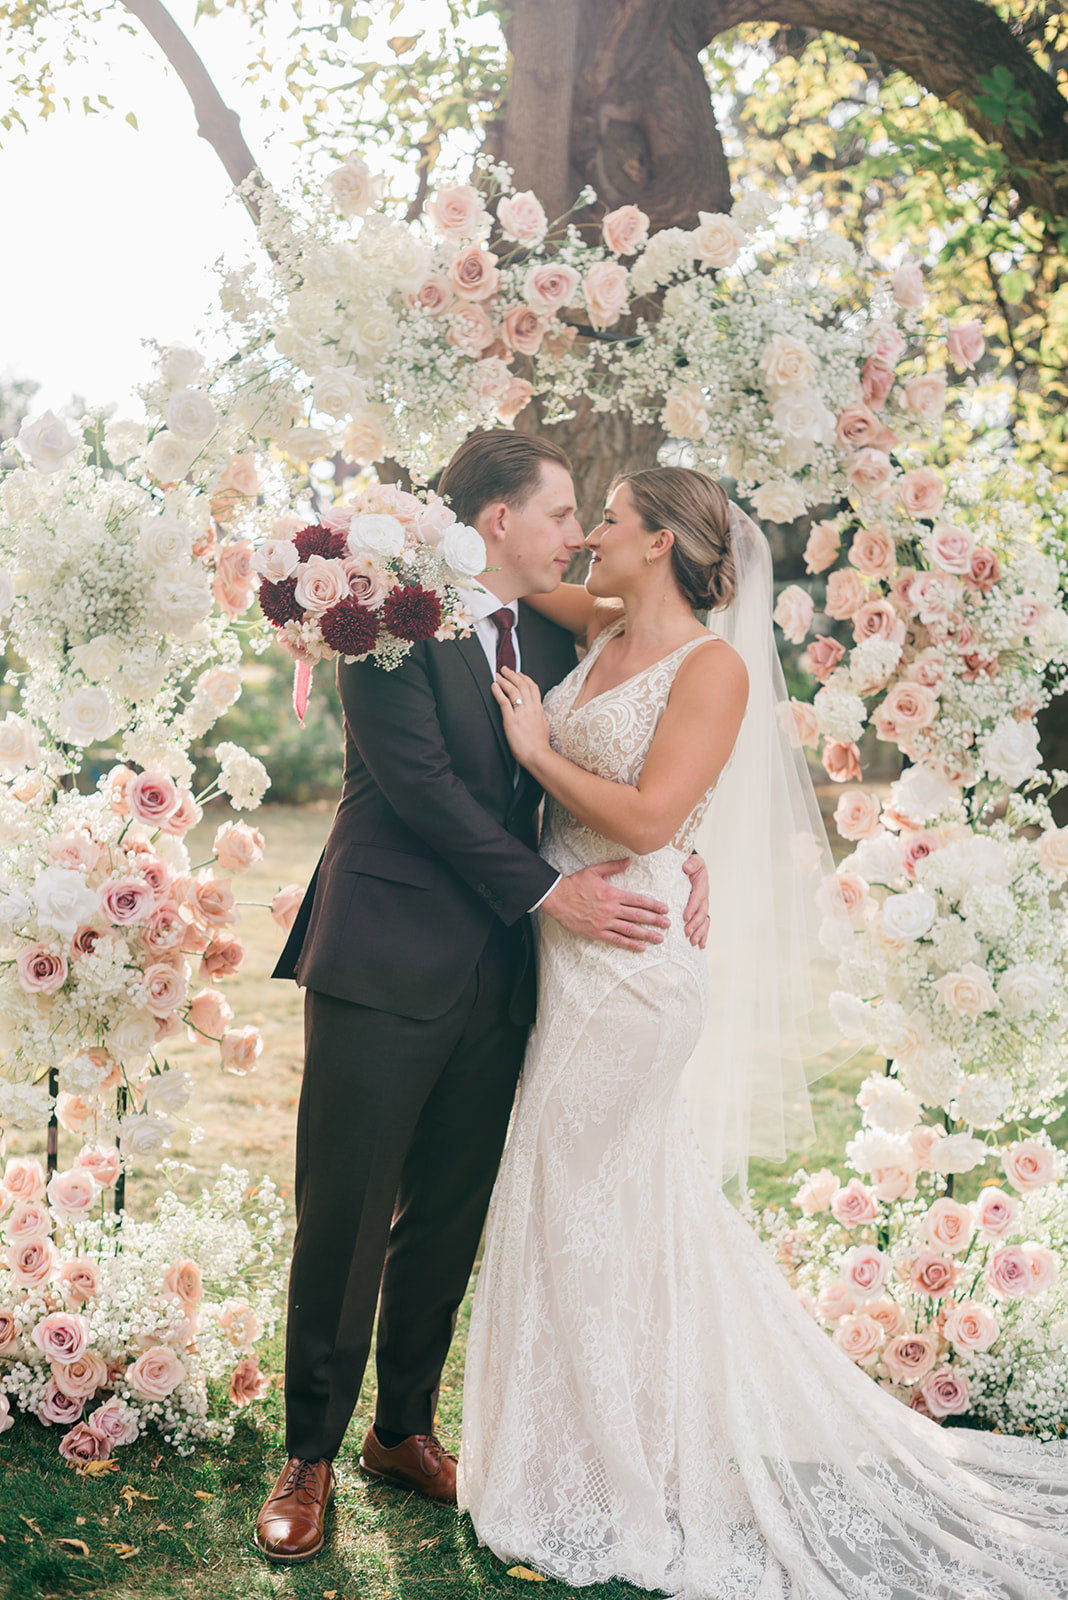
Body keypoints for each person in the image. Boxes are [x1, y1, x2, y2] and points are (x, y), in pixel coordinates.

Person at [458, 466, 1068, 1599]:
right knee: (592, 1199)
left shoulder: (716, 666)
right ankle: (586, 1447)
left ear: (661, 542)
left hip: (636, 966)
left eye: (610, 518)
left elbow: (647, 812)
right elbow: (496, 573)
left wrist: (540, 752)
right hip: (573, 949)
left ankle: (610, 1469)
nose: (589, 532)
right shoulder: (595, 622)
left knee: (590, 1196)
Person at [253, 432, 711, 1564]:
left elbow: (655, 732)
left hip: (506, 980)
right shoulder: (388, 618)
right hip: (385, 957)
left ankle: (401, 1429)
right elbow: (422, 792)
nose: (577, 535)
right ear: (496, 520)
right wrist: (555, 893)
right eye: (561, 512)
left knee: (447, 1215)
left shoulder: (560, 626)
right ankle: (308, 1454)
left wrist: (688, 850)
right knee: (348, 1211)